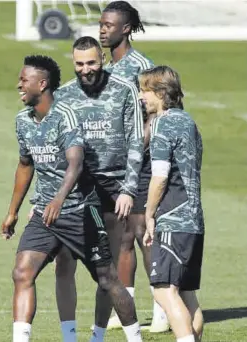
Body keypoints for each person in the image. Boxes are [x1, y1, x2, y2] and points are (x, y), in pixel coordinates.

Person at [0, 54, 143, 342]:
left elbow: (75, 163)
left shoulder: (65, 117)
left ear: (41, 84)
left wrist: (59, 200)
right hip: (44, 216)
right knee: (22, 272)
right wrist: (13, 211)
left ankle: (135, 337)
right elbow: (26, 164)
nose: (18, 85)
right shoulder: (23, 121)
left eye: (23, 80)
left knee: (107, 279)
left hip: (79, 211)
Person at [55, 36, 144, 342]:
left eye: (91, 62)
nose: (86, 69)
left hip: (114, 188)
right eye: (79, 64)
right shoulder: (63, 95)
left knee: (107, 271)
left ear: (102, 59)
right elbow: (55, 150)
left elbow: (136, 141)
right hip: (77, 189)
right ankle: (69, 337)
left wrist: (129, 190)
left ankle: (98, 336)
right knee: (64, 261)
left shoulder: (124, 90)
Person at [99, 0, 169, 332]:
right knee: (120, 238)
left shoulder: (142, 66)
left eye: (109, 25)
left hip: (138, 165)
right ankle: (124, 308)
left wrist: (137, 155)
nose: (102, 29)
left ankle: (162, 308)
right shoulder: (100, 65)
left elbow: (155, 115)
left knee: (143, 234)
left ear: (125, 28)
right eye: (100, 24)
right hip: (109, 169)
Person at [139, 65, 205, 342]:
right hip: (194, 220)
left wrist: (149, 214)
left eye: (145, 90)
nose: (141, 97)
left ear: (161, 93)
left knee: (164, 290)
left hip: (173, 217)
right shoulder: (189, 122)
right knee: (187, 294)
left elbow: (160, 177)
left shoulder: (163, 123)